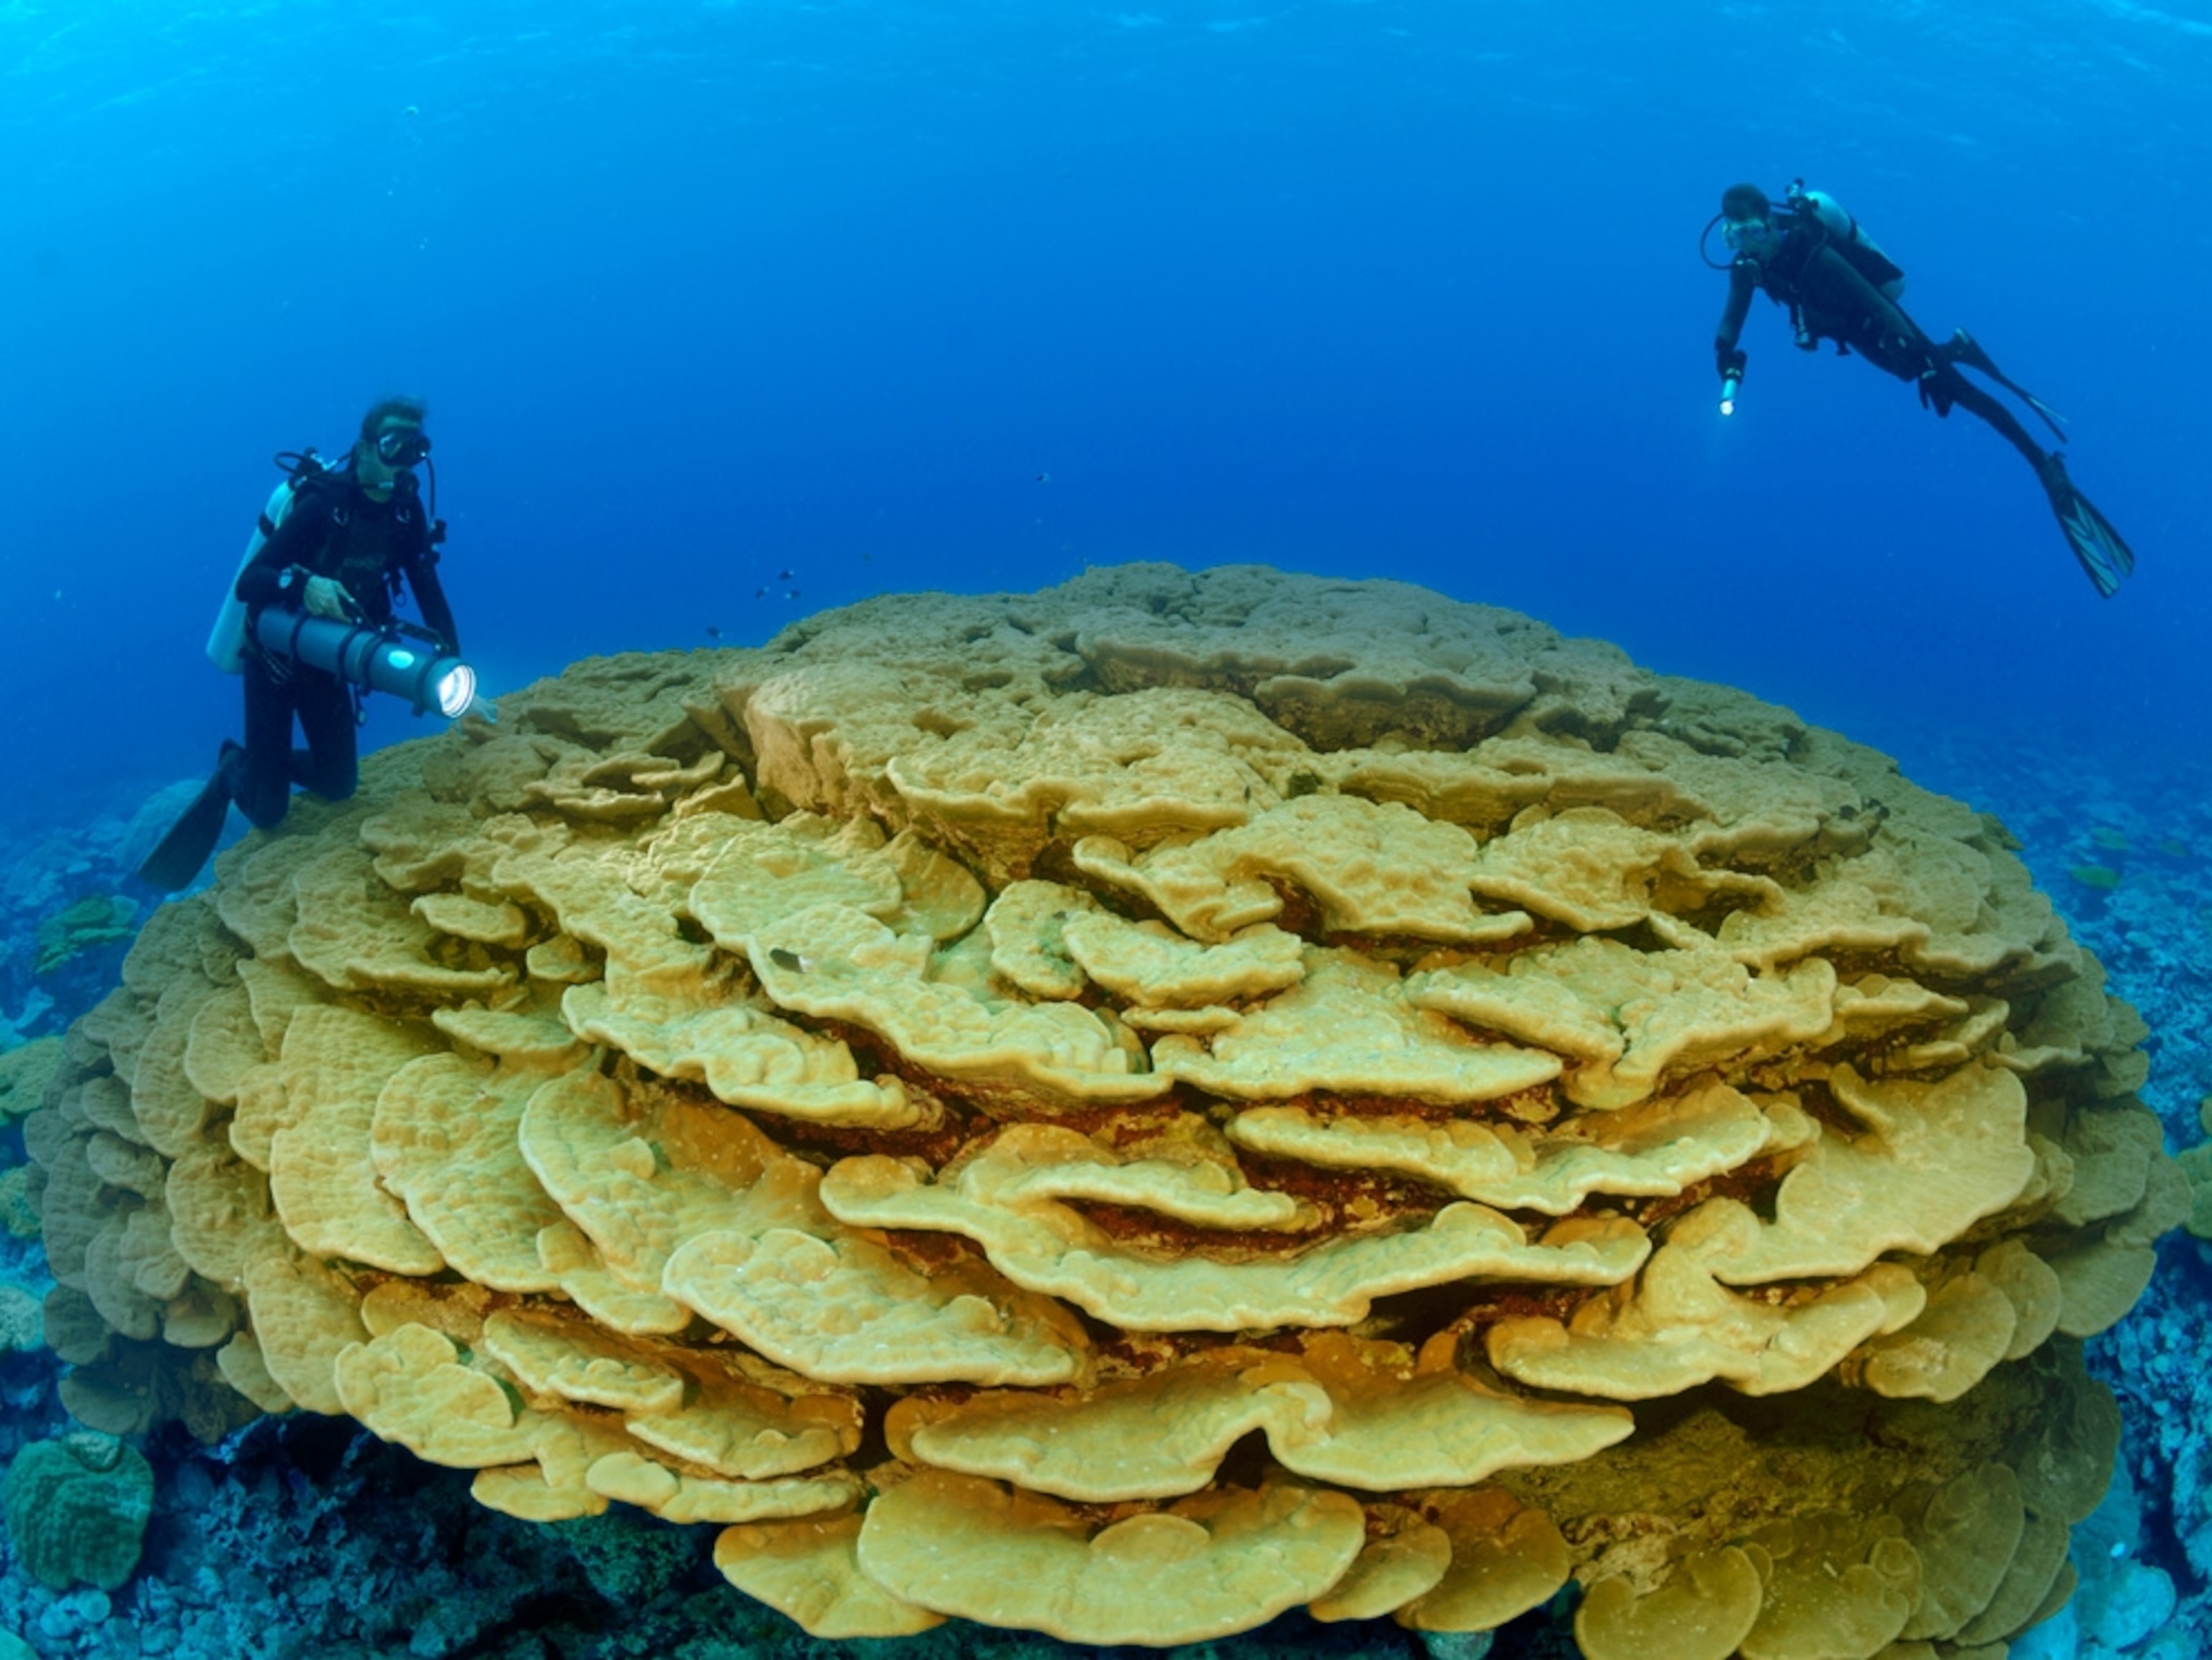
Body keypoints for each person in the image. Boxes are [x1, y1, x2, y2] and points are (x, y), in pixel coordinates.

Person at [1710, 181, 2136, 597]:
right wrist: (1725, 353)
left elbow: (1879, 304)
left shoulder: (1815, 253)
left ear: (1771, 223)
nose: (1749, 244)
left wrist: (1928, 362)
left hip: (1878, 322)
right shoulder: (1748, 269)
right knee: (1912, 373)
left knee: (1958, 391)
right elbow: (1732, 320)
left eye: (1755, 231)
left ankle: (2045, 465)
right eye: (1736, 235)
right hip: (1850, 333)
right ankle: (1956, 349)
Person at [136, 397, 457, 892]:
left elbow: (427, 589)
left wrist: (451, 664)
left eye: (415, 449)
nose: (402, 461)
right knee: (268, 811)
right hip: (275, 659)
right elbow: (250, 582)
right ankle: (233, 771)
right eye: (393, 445)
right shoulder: (326, 505)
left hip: (330, 661)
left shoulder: (404, 513)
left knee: (339, 783)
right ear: (365, 449)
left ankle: (262, 763)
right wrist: (302, 584)